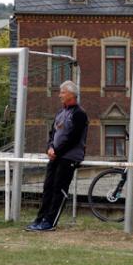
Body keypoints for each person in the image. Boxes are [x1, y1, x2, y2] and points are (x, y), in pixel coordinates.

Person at [26, 80, 88, 232]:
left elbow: (73, 138)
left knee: (58, 189)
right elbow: (52, 134)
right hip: (55, 156)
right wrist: (50, 148)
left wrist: (57, 151)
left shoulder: (79, 114)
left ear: (71, 95)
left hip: (69, 158)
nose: (60, 95)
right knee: (47, 187)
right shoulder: (60, 113)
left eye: (63, 92)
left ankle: (50, 222)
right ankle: (40, 219)